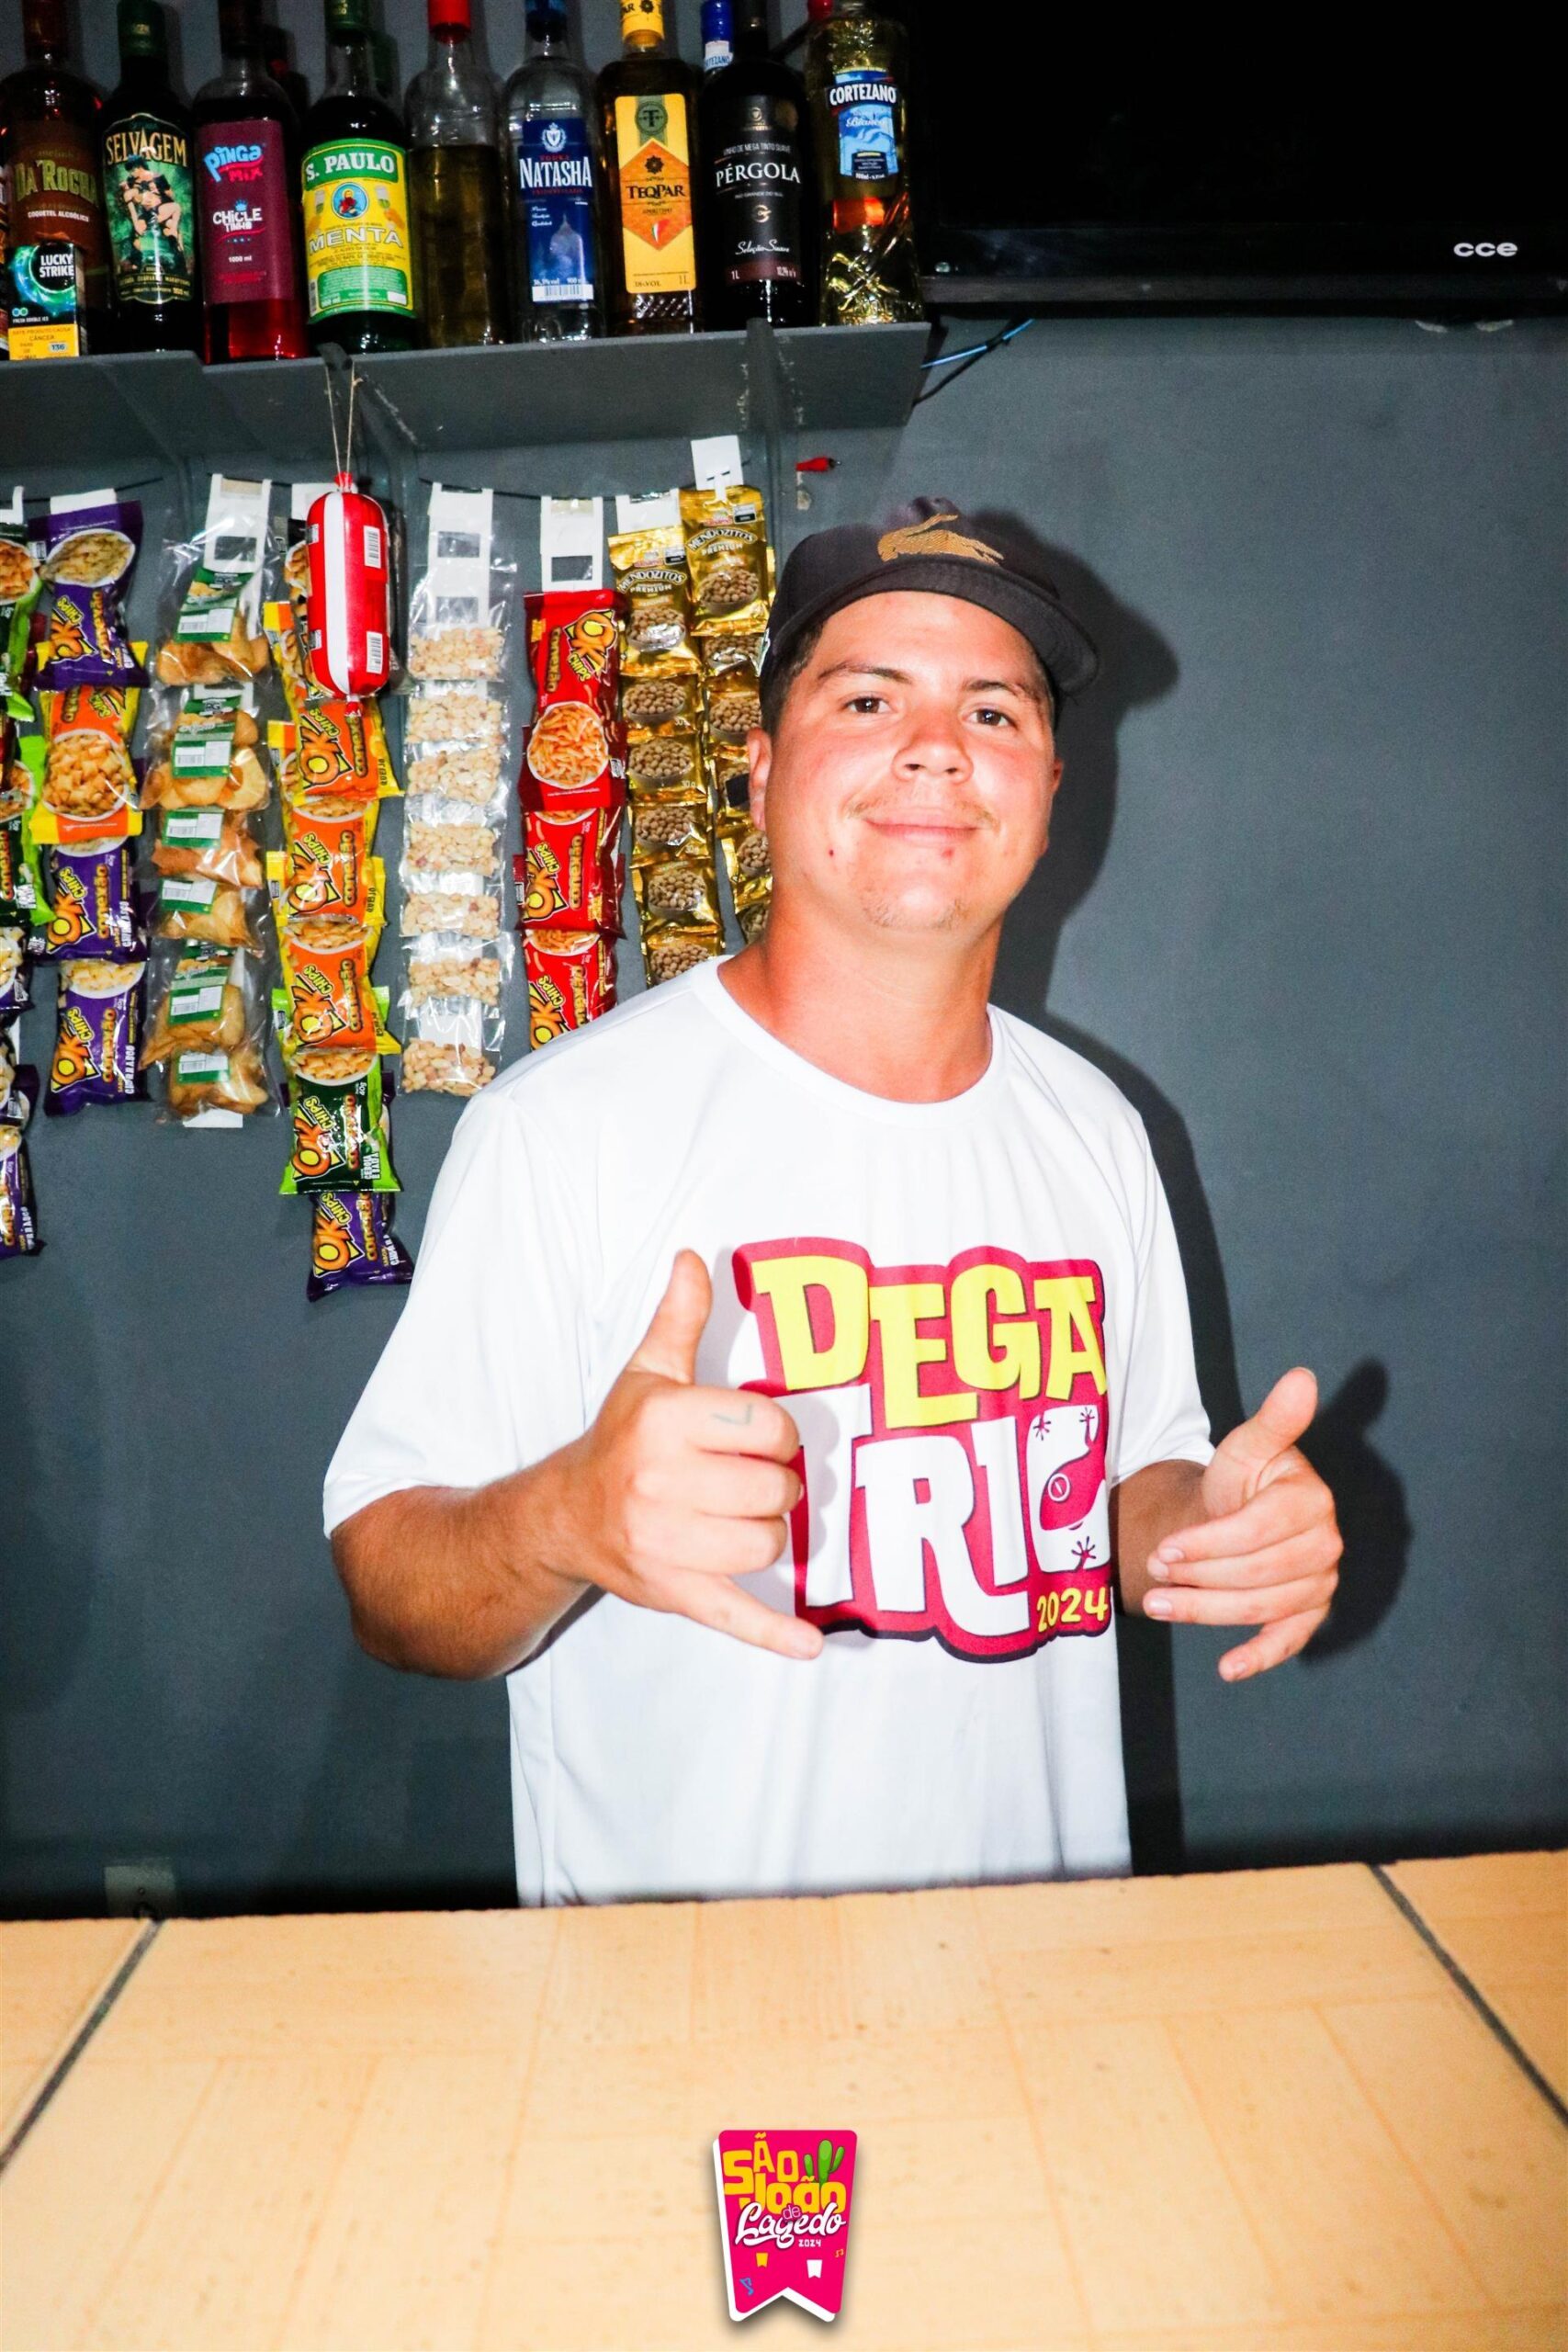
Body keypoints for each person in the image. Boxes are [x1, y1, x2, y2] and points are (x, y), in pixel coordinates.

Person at [325, 497, 1342, 1907]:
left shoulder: (1098, 1135)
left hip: (1047, 1976)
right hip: (691, 1992)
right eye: (869, 699)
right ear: (759, 773)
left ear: (1048, 791)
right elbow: (387, 1583)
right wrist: (565, 1517)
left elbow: (1127, 1490)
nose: (936, 745)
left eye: (994, 712)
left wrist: (1209, 1526)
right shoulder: (565, 1130)